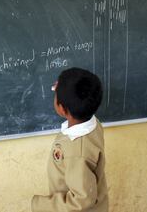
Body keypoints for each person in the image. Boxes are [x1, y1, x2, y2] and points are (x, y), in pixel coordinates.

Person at [31, 67, 108, 211]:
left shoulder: (77, 152)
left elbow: (82, 200)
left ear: (63, 109)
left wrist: (41, 205)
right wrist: (64, 88)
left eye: (56, 95)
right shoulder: (93, 123)